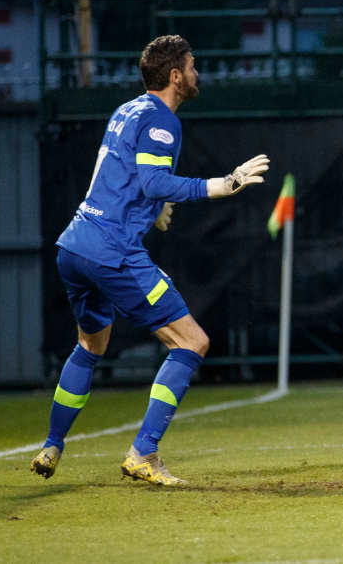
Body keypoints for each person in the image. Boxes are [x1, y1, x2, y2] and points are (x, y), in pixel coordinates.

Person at [30, 35, 270, 485]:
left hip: (75, 246)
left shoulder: (128, 110)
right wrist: (225, 183)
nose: (198, 72)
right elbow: (155, 182)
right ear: (176, 75)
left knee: (90, 346)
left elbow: (124, 173)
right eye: (193, 66)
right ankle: (143, 452)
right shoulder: (163, 120)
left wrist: (150, 209)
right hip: (112, 252)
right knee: (192, 342)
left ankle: (52, 445)